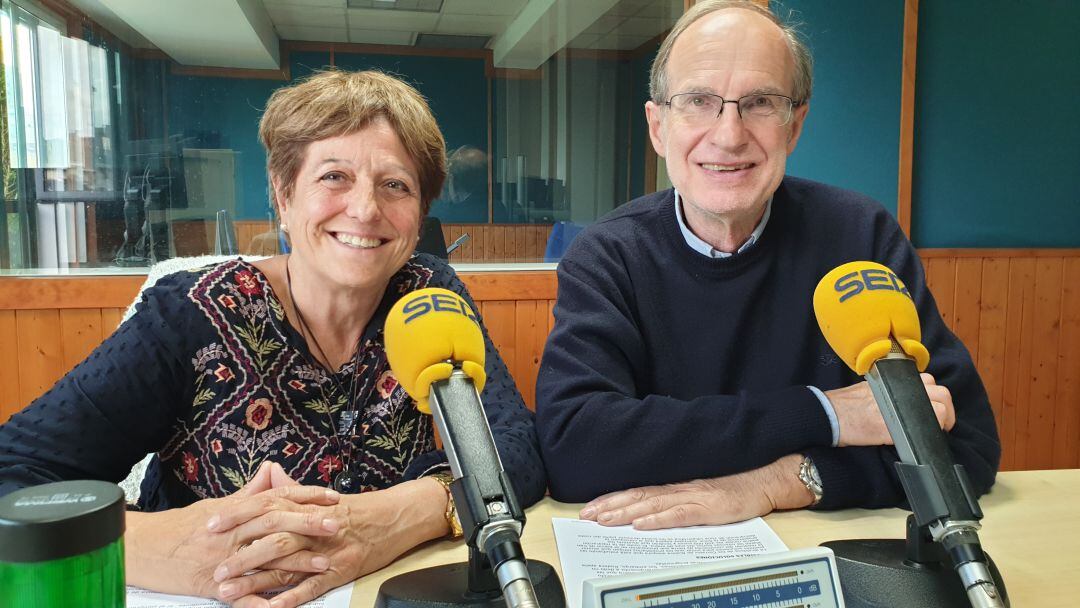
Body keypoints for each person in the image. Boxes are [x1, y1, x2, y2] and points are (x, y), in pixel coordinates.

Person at [0, 69, 546, 607]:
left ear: (420, 212)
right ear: (284, 196)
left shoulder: (429, 293)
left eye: (395, 185)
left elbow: (514, 450)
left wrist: (398, 516)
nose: (365, 208)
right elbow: (14, 475)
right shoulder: (191, 314)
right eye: (333, 176)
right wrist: (145, 545)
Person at [535, 0, 1000, 530]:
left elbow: (962, 446)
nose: (729, 135)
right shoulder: (607, 255)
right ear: (659, 126)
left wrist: (779, 482)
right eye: (698, 101)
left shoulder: (860, 236)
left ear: (794, 126)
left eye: (758, 102)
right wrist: (825, 415)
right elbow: (576, 449)